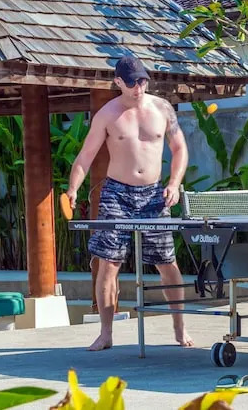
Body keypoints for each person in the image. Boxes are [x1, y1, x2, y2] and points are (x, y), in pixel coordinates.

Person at [66, 55, 193, 351]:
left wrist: (174, 183)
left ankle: (179, 327)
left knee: (167, 262)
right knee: (108, 263)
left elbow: (179, 149)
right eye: (133, 82)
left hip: (154, 194)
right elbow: (85, 156)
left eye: (143, 81)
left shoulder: (162, 109)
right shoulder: (107, 114)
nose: (139, 88)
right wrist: (73, 188)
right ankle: (106, 333)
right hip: (117, 194)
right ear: (118, 82)